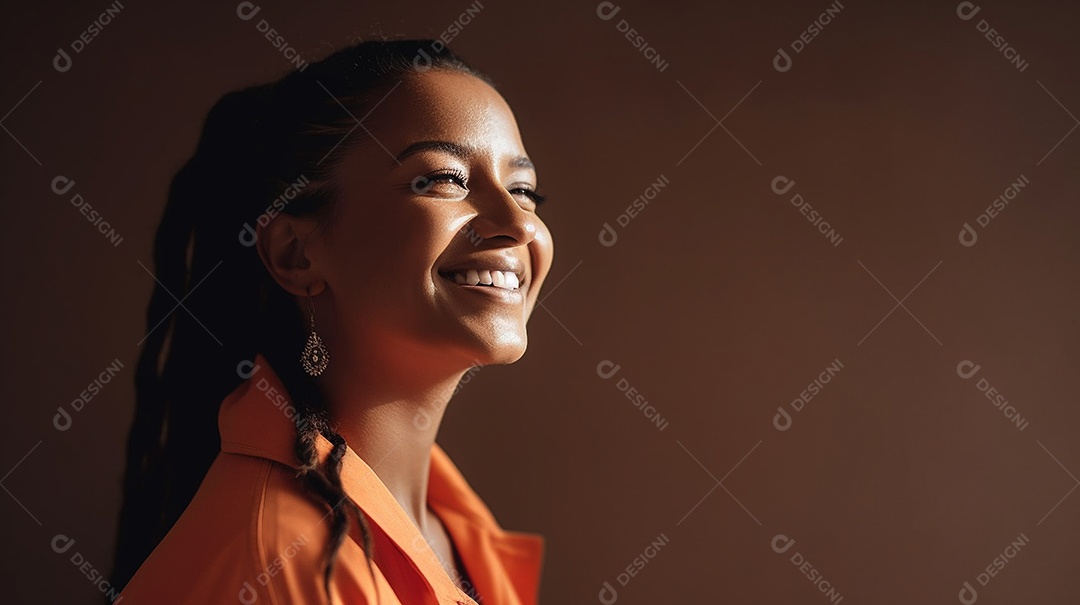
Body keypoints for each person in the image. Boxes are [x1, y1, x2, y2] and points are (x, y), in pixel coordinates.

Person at [111, 39, 554, 604]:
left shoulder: (455, 527)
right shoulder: (273, 567)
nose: (516, 223)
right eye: (443, 180)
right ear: (296, 254)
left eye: (523, 189)